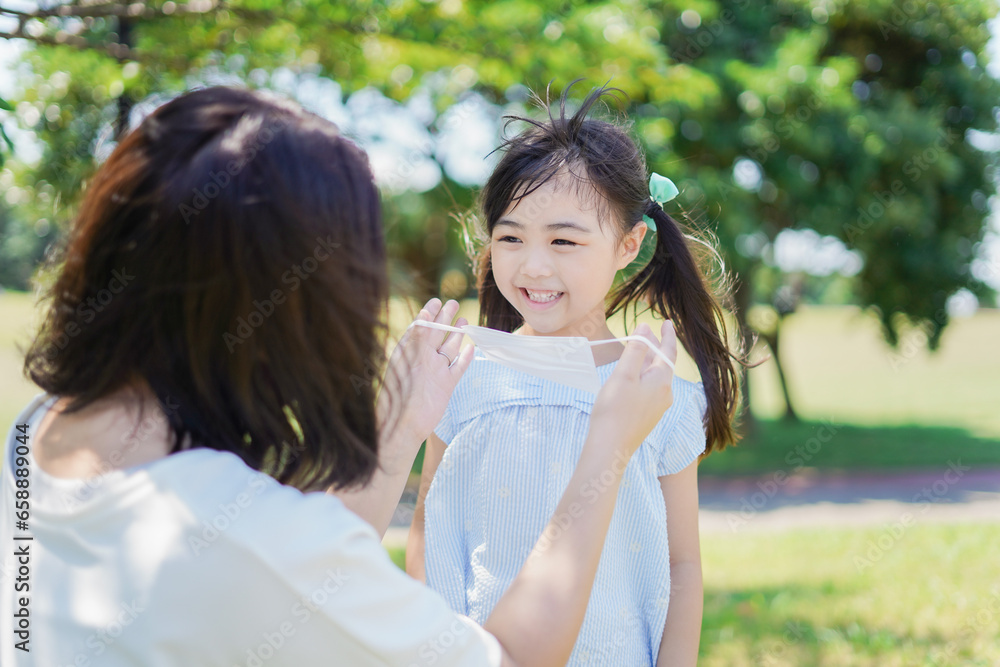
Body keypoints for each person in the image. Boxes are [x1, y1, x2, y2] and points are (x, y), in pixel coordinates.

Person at [0, 86, 680, 667]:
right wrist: (607, 447)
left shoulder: (39, 434)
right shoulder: (253, 539)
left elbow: (306, 559)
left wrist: (400, 425)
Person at [407, 83, 743, 667]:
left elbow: (682, 565)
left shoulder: (658, 393)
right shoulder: (459, 374)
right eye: (510, 238)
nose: (533, 265)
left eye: (564, 240)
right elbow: (427, 529)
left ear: (628, 243)